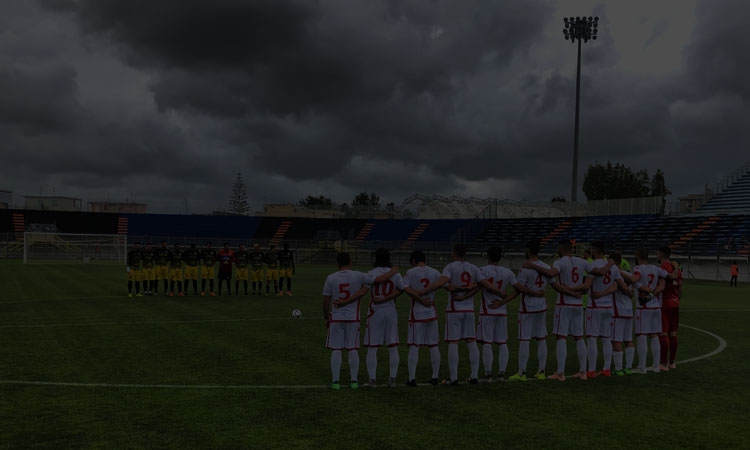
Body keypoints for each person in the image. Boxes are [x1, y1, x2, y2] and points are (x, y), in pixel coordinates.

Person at [420, 243, 506, 385]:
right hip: (469, 309)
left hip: (454, 309)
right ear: (465, 254)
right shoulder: (473, 267)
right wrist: (499, 292)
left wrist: (425, 290)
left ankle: (453, 378)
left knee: (453, 343)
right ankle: (474, 376)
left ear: (454, 253)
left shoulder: (450, 267)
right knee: (471, 342)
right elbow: (484, 284)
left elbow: (442, 282)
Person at [322, 252, 397, 390]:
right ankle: (354, 381)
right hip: (353, 318)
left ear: (337, 264)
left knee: (336, 349)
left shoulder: (331, 278)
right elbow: (379, 279)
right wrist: (393, 271)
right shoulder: (358, 275)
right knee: (352, 348)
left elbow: (326, 300)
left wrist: (327, 317)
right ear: (350, 262)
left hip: (337, 318)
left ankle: (335, 382)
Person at [523, 239, 588, 381]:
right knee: (579, 337)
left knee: (561, 336)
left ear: (561, 249)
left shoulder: (560, 262)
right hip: (578, 303)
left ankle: (560, 373)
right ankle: (583, 371)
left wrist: (533, 265)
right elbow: (592, 275)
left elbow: (551, 273)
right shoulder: (581, 262)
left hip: (564, 303)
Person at [508, 239, 553, 381]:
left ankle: (521, 373)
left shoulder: (525, 268)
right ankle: (542, 371)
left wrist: (504, 300)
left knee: (524, 339)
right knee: (541, 339)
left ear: (528, 250)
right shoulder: (546, 266)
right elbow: (554, 282)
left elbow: (518, 288)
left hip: (528, 307)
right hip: (541, 306)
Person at [476, 246, 519, 382]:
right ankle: (501, 374)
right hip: (501, 311)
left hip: (487, 310)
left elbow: (476, 287)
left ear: (488, 256)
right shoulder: (508, 272)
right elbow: (517, 290)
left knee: (487, 343)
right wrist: (503, 302)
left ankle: (488, 374)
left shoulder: (482, 270)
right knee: (502, 342)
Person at [364, 248, 406, 388]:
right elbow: (401, 289)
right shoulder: (396, 274)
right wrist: (388, 298)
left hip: (375, 311)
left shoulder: (372, 273)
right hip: (391, 310)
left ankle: (372, 381)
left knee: (372, 347)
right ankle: (392, 379)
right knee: (393, 346)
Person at [401, 250, 442, 386]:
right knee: (434, 345)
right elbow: (445, 285)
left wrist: (419, 299)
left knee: (414, 345)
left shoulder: (410, 272)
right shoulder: (435, 272)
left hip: (416, 314)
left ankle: (411, 378)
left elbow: (405, 288)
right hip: (431, 312)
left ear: (413, 260)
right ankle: (435, 376)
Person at [583, 240, 621, 378]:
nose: (590, 251)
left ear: (596, 250)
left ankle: (592, 370)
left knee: (592, 338)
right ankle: (606, 368)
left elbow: (587, 285)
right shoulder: (614, 267)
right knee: (606, 338)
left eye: (592, 249)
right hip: (608, 306)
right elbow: (617, 285)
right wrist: (605, 293)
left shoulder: (592, 265)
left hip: (595, 306)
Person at [630, 248, 668, 374]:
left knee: (641, 335)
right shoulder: (655, 268)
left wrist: (625, 275)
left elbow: (634, 279)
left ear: (637, 256)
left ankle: (642, 367)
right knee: (654, 335)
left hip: (644, 306)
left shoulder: (638, 269)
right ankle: (656, 366)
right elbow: (668, 276)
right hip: (656, 305)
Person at [610, 252, 636, 376]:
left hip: (617, 310)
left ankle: (619, 369)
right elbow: (632, 290)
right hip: (629, 309)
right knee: (628, 339)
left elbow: (617, 288)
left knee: (616, 340)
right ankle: (629, 367)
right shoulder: (629, 275)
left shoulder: (615, 274)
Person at [658, 246, 683, 371]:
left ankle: (663, 363)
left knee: (663, 333)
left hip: (665, 302)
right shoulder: (677, 269)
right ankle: (672, 362)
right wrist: (678, 299)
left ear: (661, 254)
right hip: (675, 302)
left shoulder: (662, 268)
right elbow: (680, 287)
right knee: (673, 333)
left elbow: (661, 286)